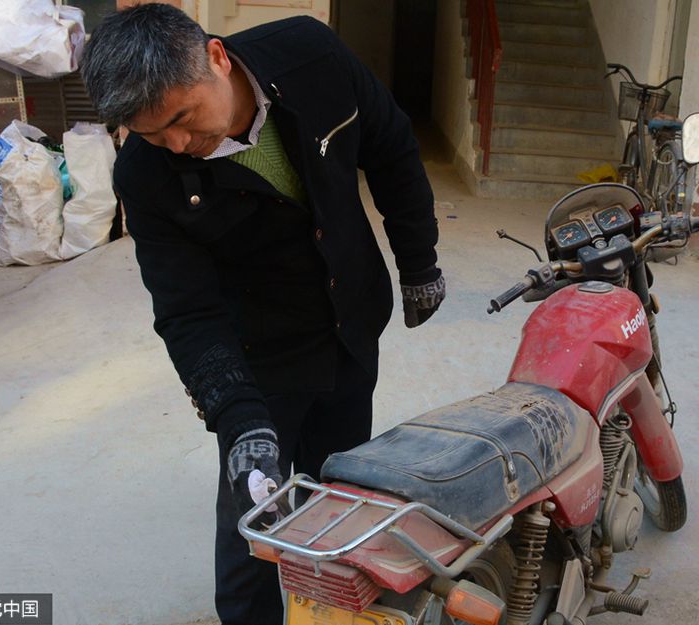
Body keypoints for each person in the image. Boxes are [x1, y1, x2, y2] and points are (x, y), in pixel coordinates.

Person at [80, 4, 444, 624]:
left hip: (350, 324)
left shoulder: (313, 57)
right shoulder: (144, 176)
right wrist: (238, 416)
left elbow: (391, 147)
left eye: (181, 118)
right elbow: (186, 308)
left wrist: (419, 261)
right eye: (152, 134)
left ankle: (337, 611)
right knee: (255, 517)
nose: (176, 145)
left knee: (339, 494)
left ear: (217, 58)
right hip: (256, 359)